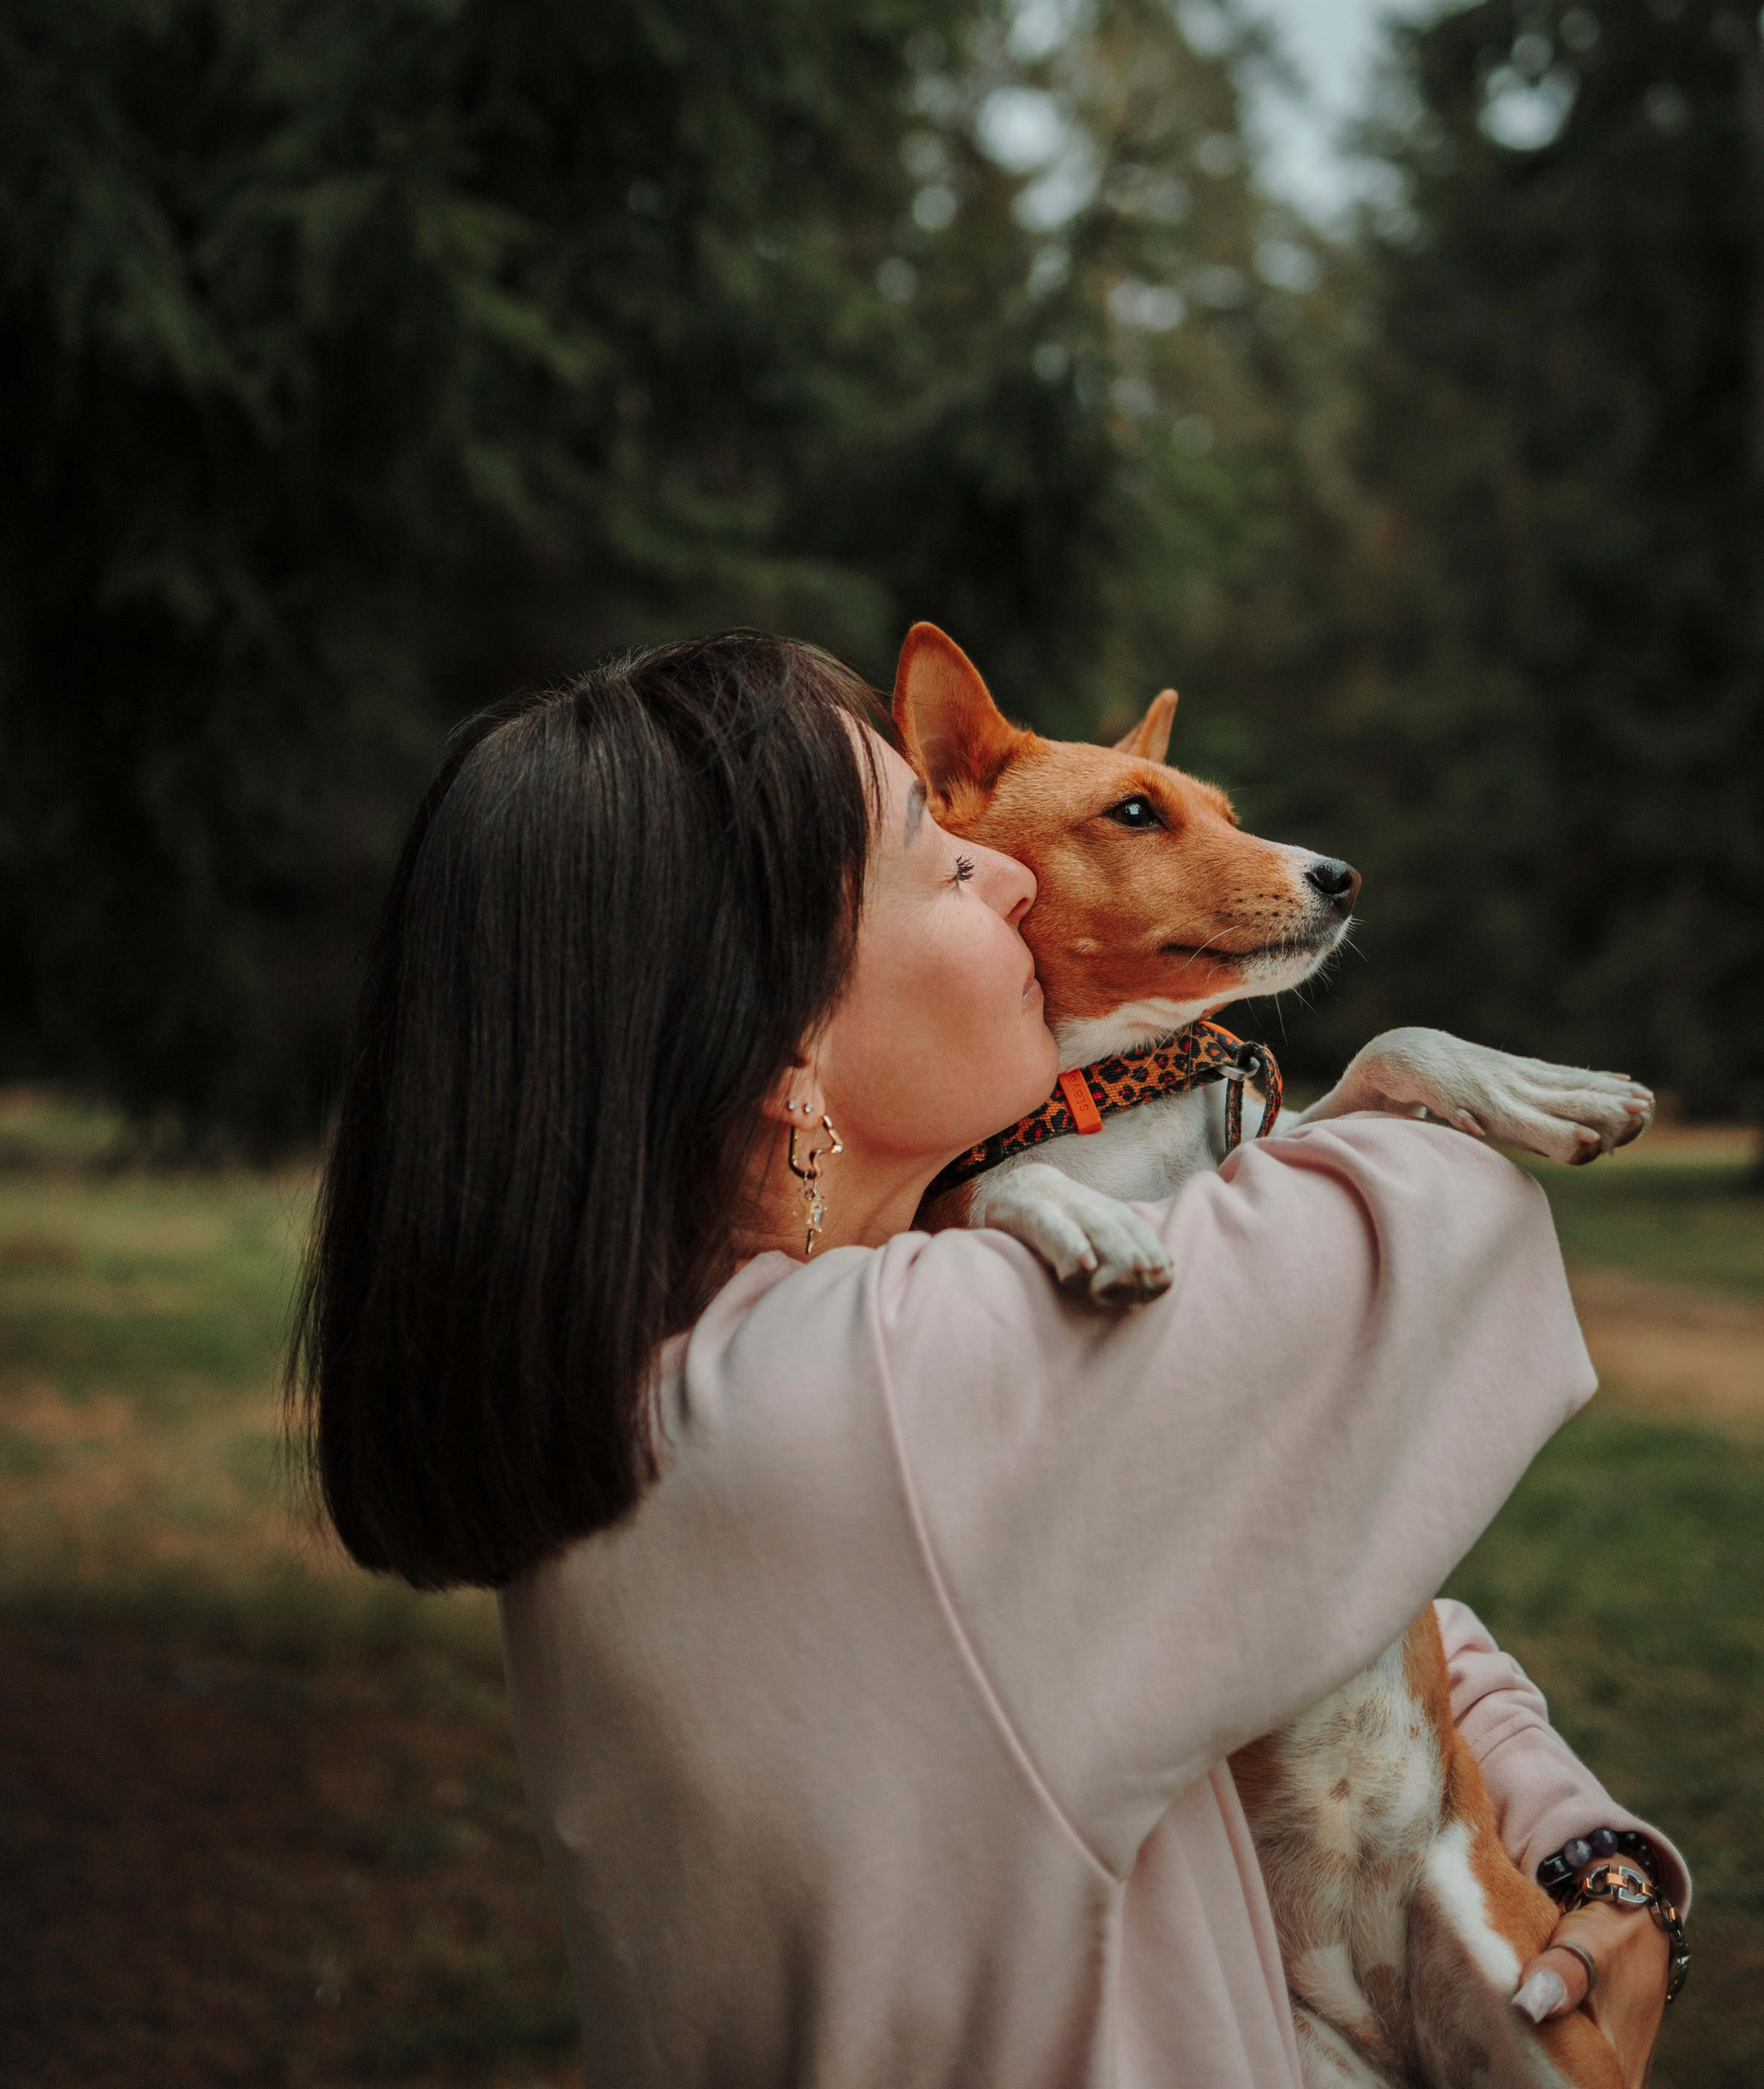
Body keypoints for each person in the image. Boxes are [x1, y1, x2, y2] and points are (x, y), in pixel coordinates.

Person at [295, 632, 1684, 2088]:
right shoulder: (895, 1404)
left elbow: (1310, 1562)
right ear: (783, 1053)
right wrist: (1387, 1083)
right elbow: (1453, 1216)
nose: (1010, 872)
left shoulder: (675, 1390)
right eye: (941, 861)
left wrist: (1575, 1847)